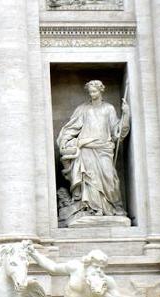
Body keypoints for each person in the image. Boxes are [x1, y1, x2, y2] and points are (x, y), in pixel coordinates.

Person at [57, 80, 129, 218]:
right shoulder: (82, 109)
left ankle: (113, 207)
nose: (92, 94)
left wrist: (125, 115)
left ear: (101, 91)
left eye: (94, 91)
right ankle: (92, 209)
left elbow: (117, 132)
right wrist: (65, 140)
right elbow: (71, 128)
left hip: (104, 148)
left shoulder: (109, 109)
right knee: (89, 180)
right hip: (86, 149)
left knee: (109, 178)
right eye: (90, 92)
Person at [26, 244, 130, 297]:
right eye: (95, 266)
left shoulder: (107, 281)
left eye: (101, 268)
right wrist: (34, 253)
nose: (99, 270)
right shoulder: (75, 268)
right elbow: (53, 268)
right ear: (88, 264)